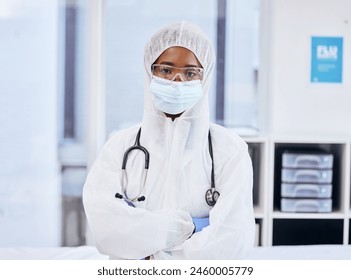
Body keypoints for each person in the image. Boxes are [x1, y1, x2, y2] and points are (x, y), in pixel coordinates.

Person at [83, 21, 255, 260]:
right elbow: (106, 228)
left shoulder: (229, 149)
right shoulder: (119, 146)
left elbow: (233, 238)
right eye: (166, 70)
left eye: (190, 72)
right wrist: (190, 227)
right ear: (149, 71)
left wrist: (155, 254)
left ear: (204, 78)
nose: (177, 81)